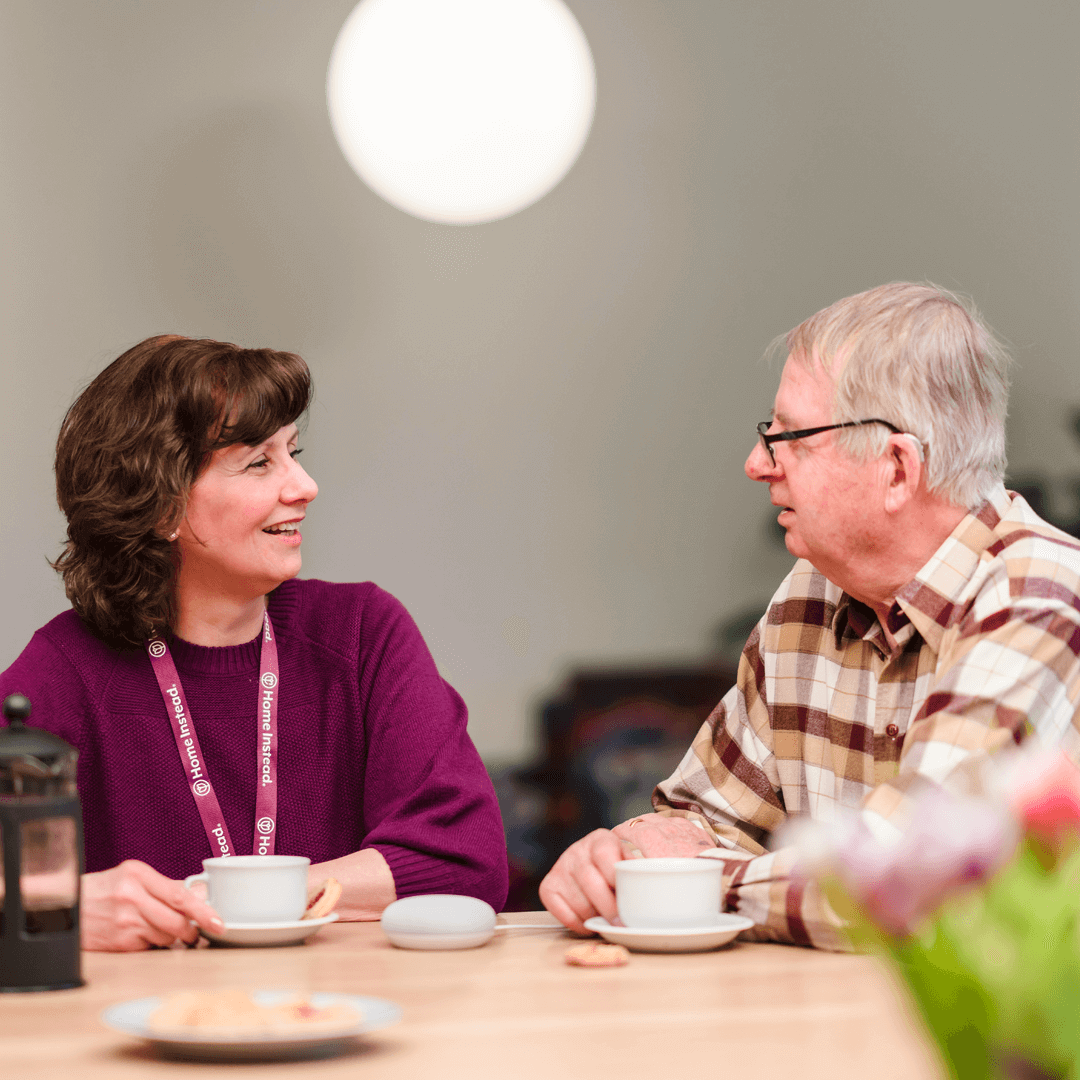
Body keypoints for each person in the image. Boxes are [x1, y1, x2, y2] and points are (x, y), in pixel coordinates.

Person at [539, 282, 1080, 950]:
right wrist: (616, 859)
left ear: (897, 469)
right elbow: (704, 820)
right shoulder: (813, 592)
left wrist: (686, 883)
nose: (756, 464)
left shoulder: (1038, 594)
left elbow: (910, 881)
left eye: (790, 436)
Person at [0, 335, 508, 951]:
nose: (305, 485)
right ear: (161, 505)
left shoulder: (362, 632)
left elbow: (463, 862)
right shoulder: (66, 668)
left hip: (338, 1000)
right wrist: (55, 902)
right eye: (259, 463)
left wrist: (238, 899)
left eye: (293, 451)